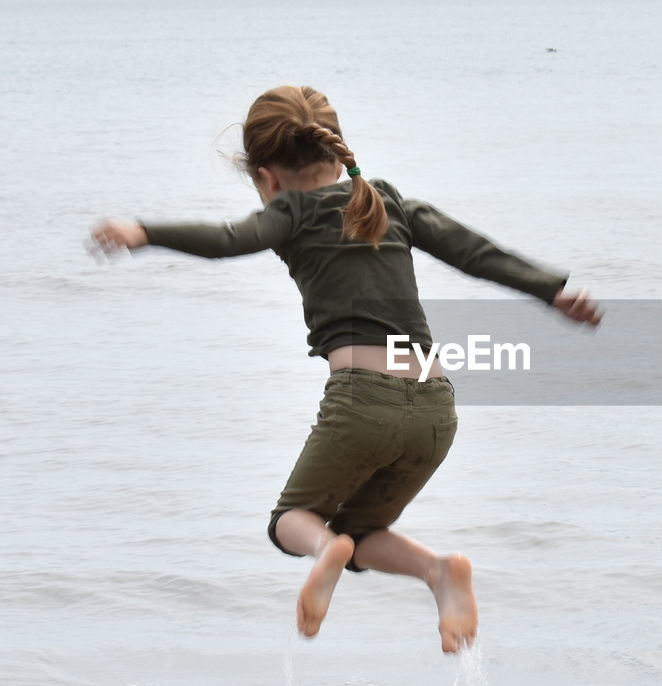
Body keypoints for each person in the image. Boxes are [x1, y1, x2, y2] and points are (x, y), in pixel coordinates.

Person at [90, 85, 601, 653]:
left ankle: (323, 551)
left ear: (266, 177)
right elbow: (474, 253)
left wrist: (144, 232)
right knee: (360, 536)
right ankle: (438, 571)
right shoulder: (390, 201)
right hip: (436, 407)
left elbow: (227, 240)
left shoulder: (289, 211)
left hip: (363, 400)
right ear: (337, 152)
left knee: (293, 522)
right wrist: (551, 291)